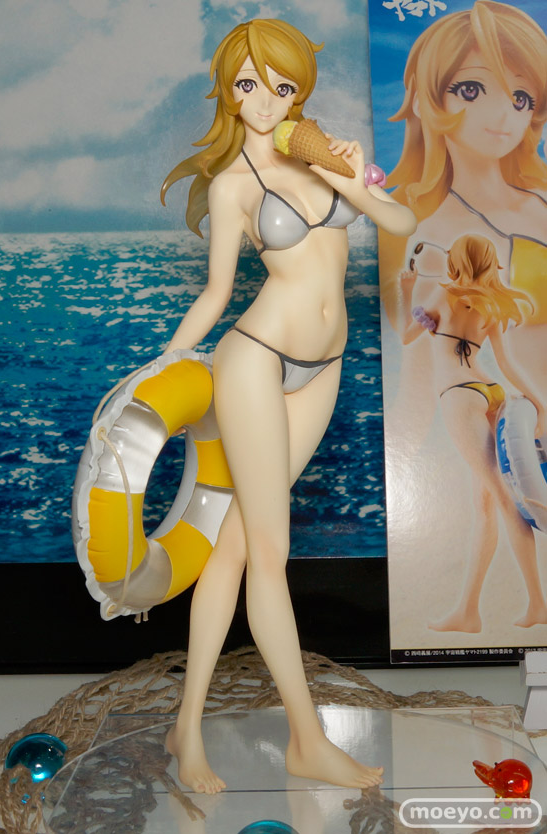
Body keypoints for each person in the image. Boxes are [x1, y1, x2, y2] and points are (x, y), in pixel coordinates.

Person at [159, 18, 416, 794]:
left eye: (279, 84)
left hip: (324, 365)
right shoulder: (234, 186)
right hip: (257, 360)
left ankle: (184, 727)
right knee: (269, 552)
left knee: (238, 545)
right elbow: (216, 294)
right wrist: (161, 366)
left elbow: (400, 222)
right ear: (228, 94)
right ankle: (307, 738)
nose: (265, 100)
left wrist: (354, 177)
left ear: (298, 88)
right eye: (247, 85)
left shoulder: (324, 155)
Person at [378, 0, 547, 446]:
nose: (503, 115)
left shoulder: (542, 198)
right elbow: (418, 374)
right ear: (424, 99)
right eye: (471, 90)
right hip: (522, 432)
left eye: (521, 98)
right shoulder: (432, 235)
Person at [400, 234, 547, 633]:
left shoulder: (443, 294)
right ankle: (467, 612)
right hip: (491, 391)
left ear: (458, 260)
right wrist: (539, 403)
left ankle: (539, 604)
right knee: (485, 506)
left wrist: (407, 291)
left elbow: (407, 335)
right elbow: (506, 363)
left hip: (460, 397)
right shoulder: (491, 304)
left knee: (502, 498)